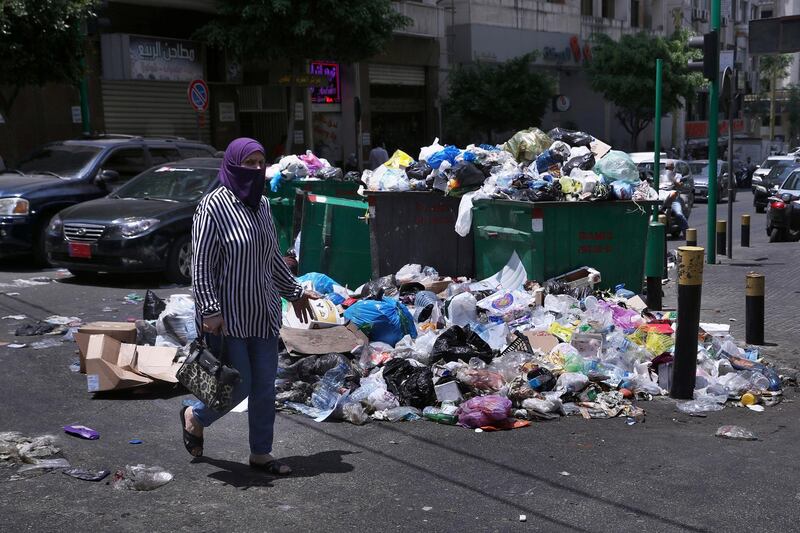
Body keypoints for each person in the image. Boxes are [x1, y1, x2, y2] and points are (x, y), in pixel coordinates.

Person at [180, 137, 318, 475]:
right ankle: (194, 416)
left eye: (260, 163)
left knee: (264, 388)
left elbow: (272, 258)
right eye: (249, 163)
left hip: (262, 313)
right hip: (227, 317)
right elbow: (201, 265)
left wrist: (295, 292)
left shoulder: (264, 205)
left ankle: (261, 453)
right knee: (237, 385)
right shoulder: (213, 206)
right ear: (232, 164)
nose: (255, 169)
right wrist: (209, 310)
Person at [661, 162, 689, 236]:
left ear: (673, 168)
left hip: (673, 196)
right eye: (666, 168)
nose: (668, 169)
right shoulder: (662, 175)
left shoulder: (677, 175)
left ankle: (687, 233)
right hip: (661, 194)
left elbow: (680, 185)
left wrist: (674, 180)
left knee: (679, 214)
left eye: (669, 168)